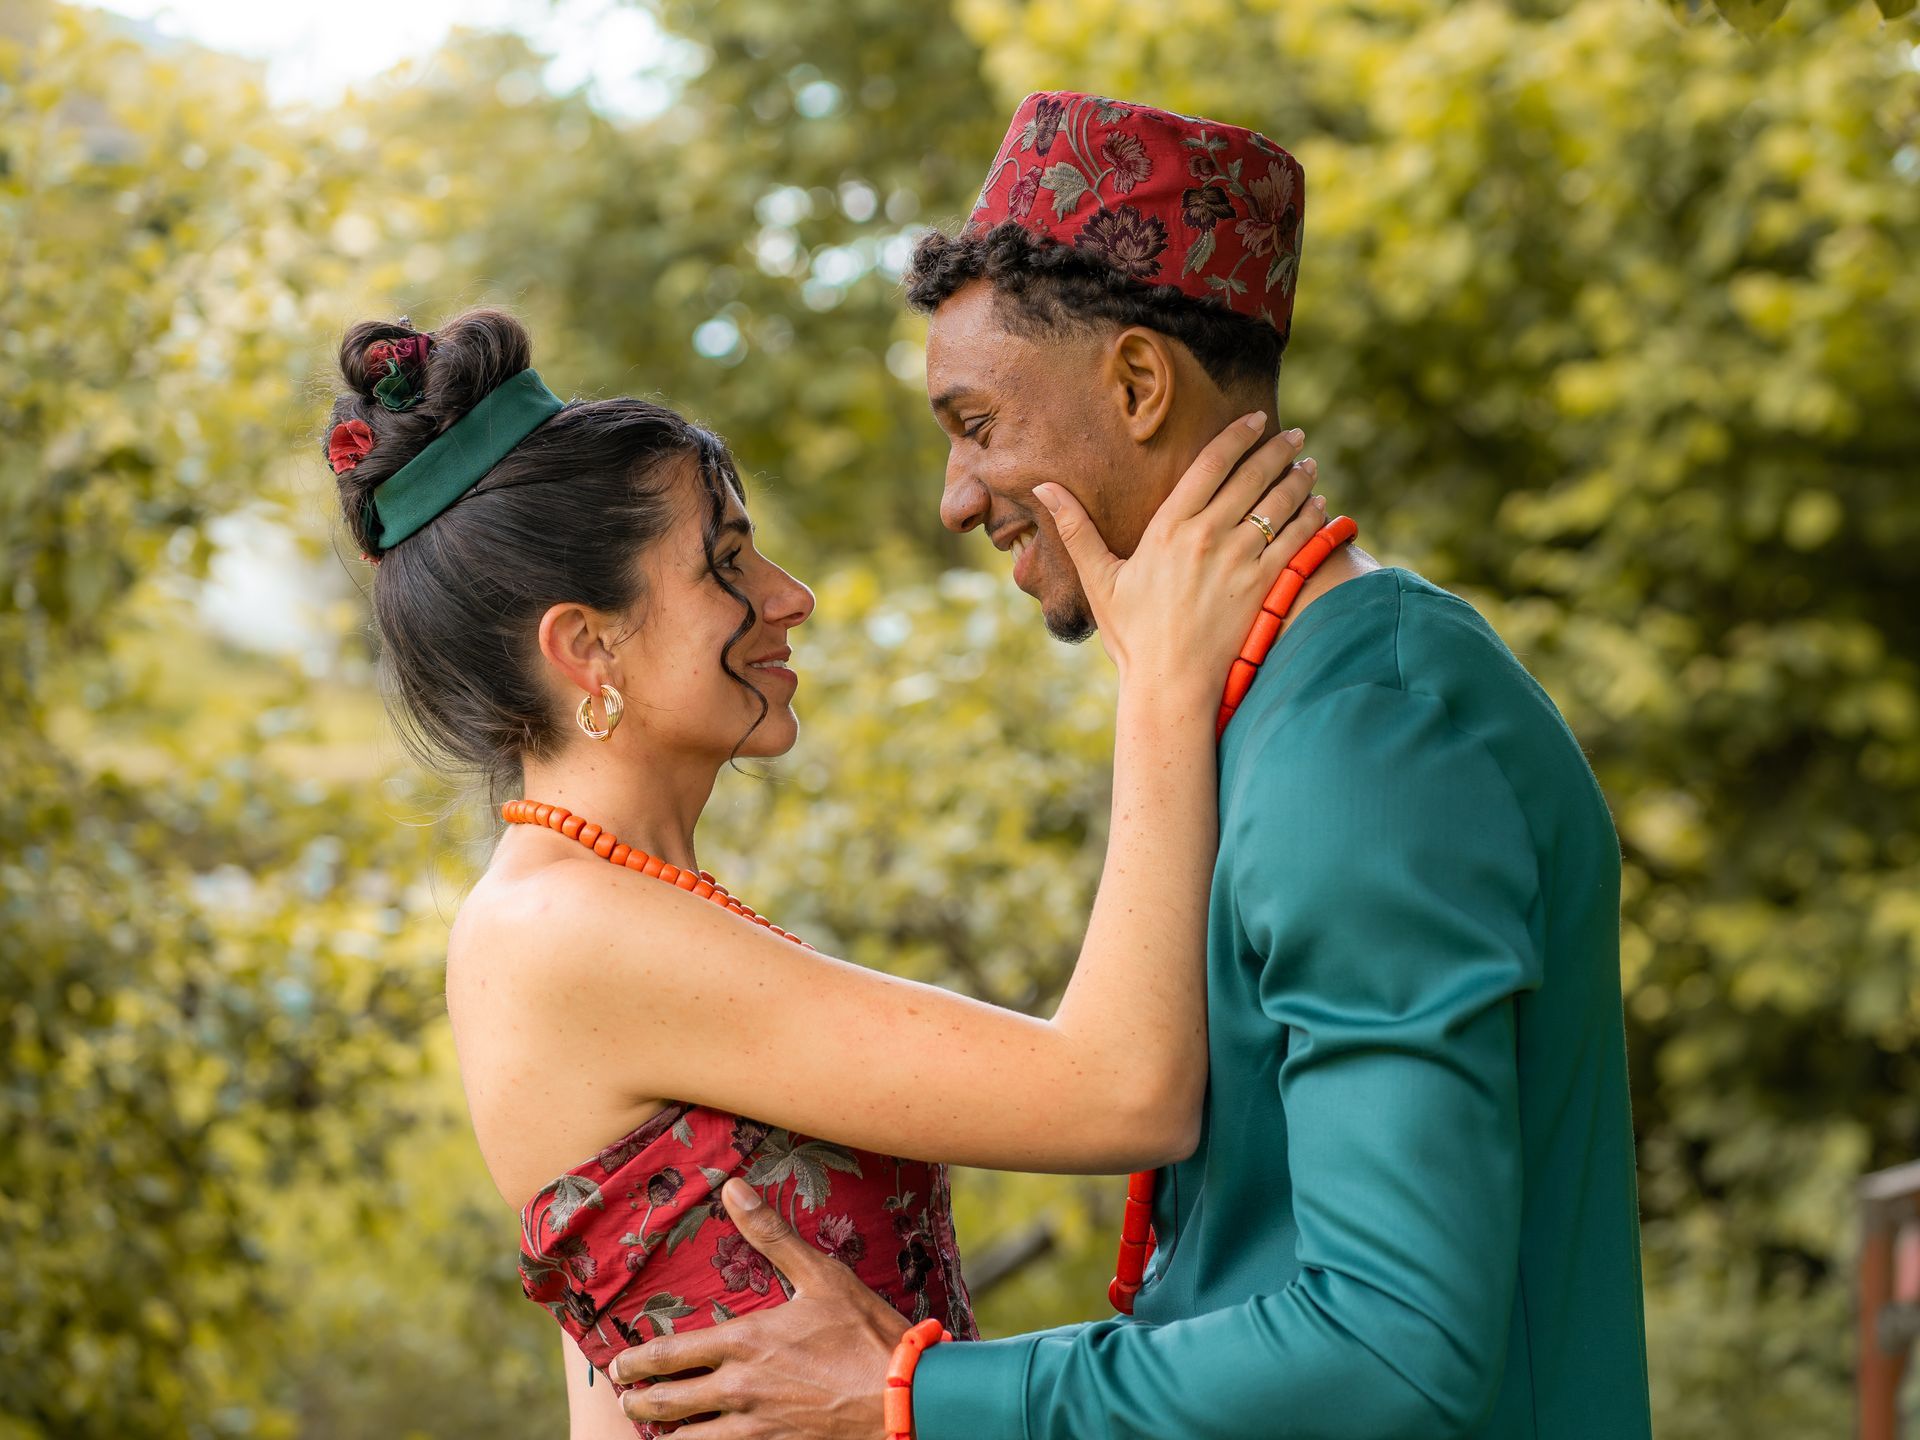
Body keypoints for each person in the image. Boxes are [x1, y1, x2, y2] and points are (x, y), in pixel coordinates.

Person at [607, 91, 1654, 1439]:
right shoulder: (1274, 702)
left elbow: (1393, 1350)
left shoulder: (1369, 742)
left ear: (1140, 387)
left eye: (977, 423)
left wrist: (911, 1396)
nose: (955, 496)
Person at [318, 300, 1334, 1437]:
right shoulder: (561, 926)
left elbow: (612, 1387)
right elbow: (1125, 1091)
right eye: (726, 563)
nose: (788, 595)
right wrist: (1162, 681)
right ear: (587, 647)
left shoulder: (598, 909)